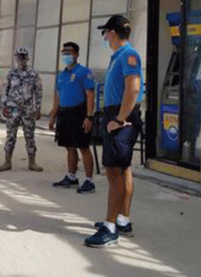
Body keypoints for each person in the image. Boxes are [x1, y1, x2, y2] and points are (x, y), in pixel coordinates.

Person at [84, 15, 144, 248]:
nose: (104, 37)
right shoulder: (119, 56)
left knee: (114, 172)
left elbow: (134, 88)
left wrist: (120, 119)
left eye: (105, 33)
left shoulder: (129, 55)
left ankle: (110, 229)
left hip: (121, 118)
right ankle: (122, 221)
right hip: (118, 115)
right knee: (123, 168)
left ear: (113, 33)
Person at [49, 42, 96, 194]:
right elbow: (58, 96)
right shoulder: (61, 75)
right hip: (64, 113)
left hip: (79, 113)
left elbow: (90, 94)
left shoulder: (83, 72)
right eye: (64, 52)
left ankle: (89, 180)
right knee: (69, 146)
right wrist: (53, 116)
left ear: (76, 54)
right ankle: (71, 176)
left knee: (83, 146)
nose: (66, 55)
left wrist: (89, 116)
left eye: (69, 52)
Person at [0, 47, 44, 172]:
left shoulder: (33, 74)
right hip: (13, 109)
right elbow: (5, 90)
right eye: (18, 57)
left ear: (27, 58)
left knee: (29, 136)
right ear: (16, 58)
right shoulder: (11, 73)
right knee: (10, 135)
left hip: (28, 109)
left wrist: (38, 108)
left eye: (23, 57)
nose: (21, 59)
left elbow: (38, 92)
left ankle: (32, 162)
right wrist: (4, 105)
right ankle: (7, 162)